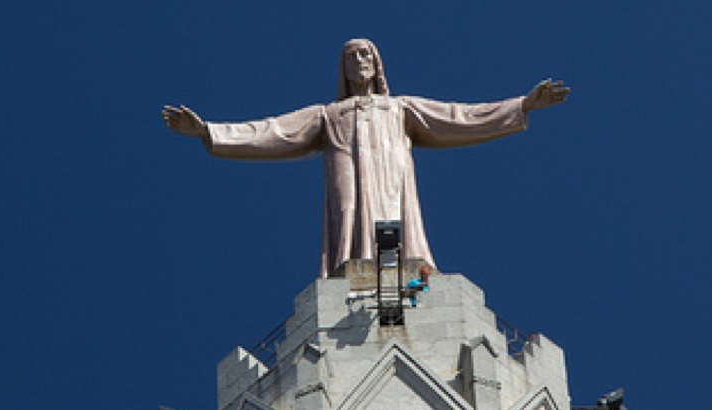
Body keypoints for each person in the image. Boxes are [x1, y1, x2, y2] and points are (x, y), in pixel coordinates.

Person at [163, 39, 568, 278]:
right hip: (346, 176)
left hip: (391, 175)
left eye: (366, 56)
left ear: (377, 66)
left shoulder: (400, 107)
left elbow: (459, 116)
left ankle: (412, 271)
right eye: (352, 57)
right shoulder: (329, 113)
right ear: (343, 68)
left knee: (396, 215)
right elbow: (273, 130)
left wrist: (522, 105)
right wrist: (209, 131)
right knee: (348, 214)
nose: (360, 61)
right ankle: (350, 270)